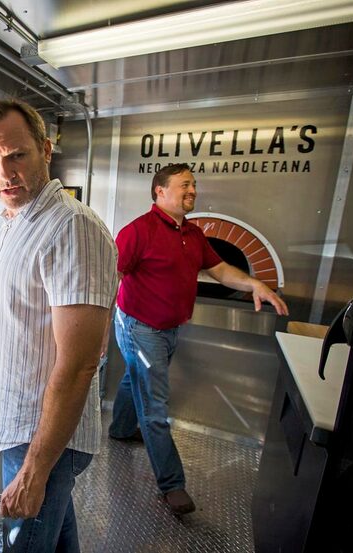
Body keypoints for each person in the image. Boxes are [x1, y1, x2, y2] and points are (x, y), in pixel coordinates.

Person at [0, 99, 117, 553]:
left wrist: (36, 471)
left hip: (40, 435)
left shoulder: (71, 228)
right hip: (18, 416)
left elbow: (80, 364)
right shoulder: (17, 219)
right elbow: (14, 323)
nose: (3, 173)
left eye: (16, 155)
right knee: (58, 537)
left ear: (45, 149)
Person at [108, 163, 288, 515]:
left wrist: (255, 283)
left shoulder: (192, 233)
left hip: (170, 328)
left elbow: (219, 269)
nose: (192, 191)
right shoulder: (137, 231)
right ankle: (172, 485)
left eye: (194, 185)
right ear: (159, 191)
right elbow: (110, 276)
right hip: (139, 327)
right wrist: (104, 328)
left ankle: (120, 429)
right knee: (155, 408)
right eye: (184, 185)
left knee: (136, 379)